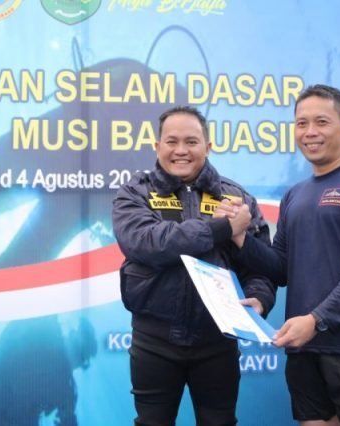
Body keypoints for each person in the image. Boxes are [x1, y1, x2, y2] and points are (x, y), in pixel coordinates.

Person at [218, 84, 340, 425]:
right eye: (301, 123)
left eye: (321, 122)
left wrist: (316, 321)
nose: (310, 132)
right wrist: (240, 237)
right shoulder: (295, 195)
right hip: (304, 350)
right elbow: (280, 267)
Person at [112, 105, 276, 426]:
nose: (181, 150)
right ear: (157, 146)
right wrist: (220, 229)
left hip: (217, 344)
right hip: (154, 342)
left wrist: (260, 297)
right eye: (171, 141)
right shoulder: (135, 192)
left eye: (191, 141)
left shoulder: (237, 199)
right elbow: (147, 242)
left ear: (208, 146)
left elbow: (261, 265)